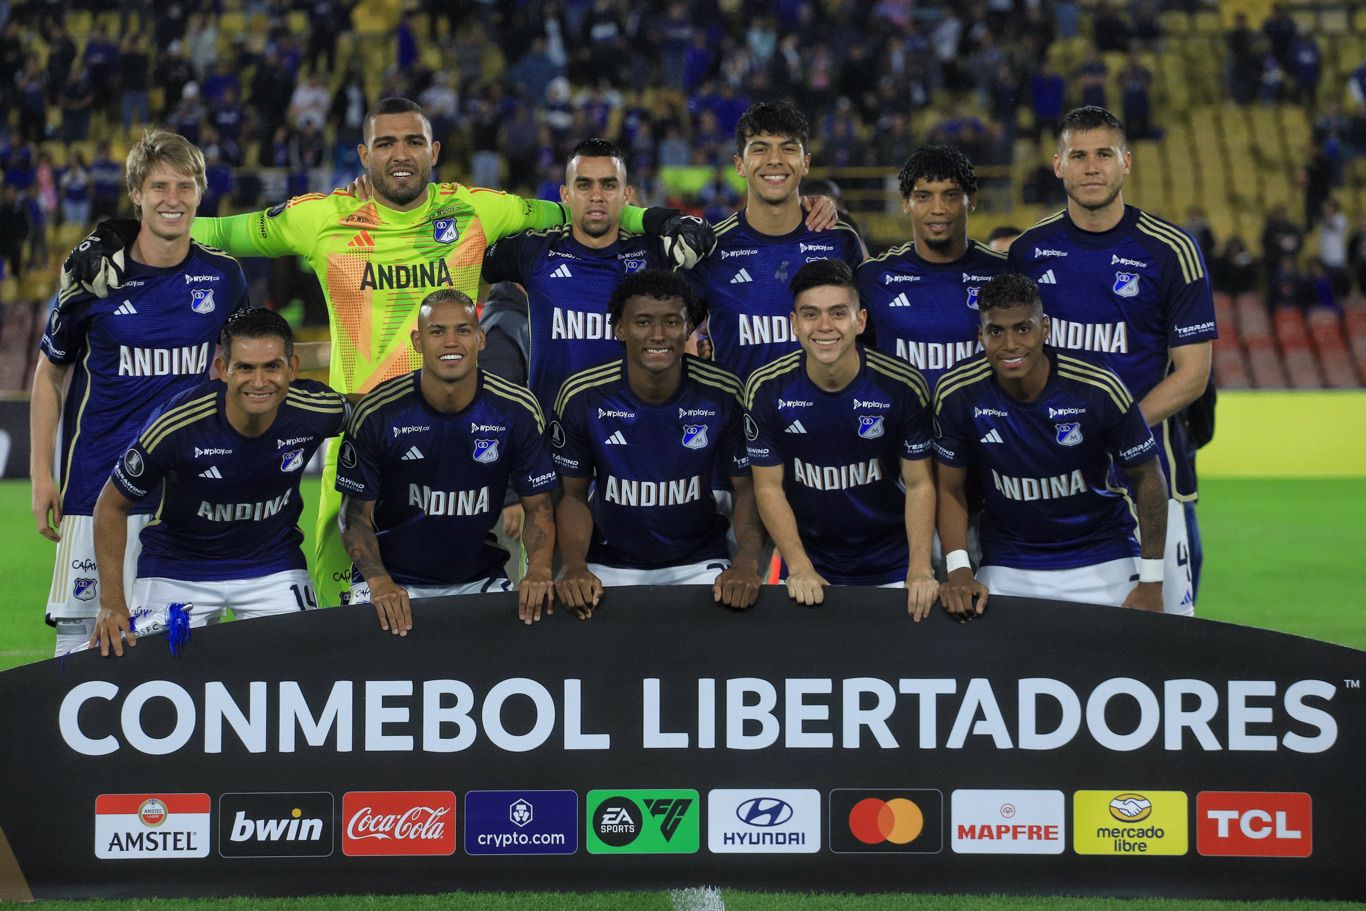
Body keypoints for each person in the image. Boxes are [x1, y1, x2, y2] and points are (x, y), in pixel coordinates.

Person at [60, 97, 715, 610]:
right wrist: (112, 233)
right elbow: (204, 224)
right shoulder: (319, 217)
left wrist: (658, 221)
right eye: (385, 142)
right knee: (337, 606)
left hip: (463, 438)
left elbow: (585, 212)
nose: (399, 153)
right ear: (363, 153)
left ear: (433, 150)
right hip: (358, 431)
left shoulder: (475, 210)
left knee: (482, 600)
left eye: (411, 141)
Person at [31, 131, 250, 656]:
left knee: (175, 651)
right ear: (136, 192)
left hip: (186, 494)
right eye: (158, 186)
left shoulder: (223, 277)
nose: (172, 198)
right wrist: (42, 475)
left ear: (200, 192)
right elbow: (49, 373)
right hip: (94, 486)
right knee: (78, 653)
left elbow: (246, 372)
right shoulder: (94, 275)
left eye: (184, 185)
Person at [1007, 106, 1214, 614]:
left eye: (1104, 154)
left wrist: (1119, 431)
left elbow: (1193, 374)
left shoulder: (1171, 250)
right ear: (1058, 165)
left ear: (1127, 162)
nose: (1091, 166)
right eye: (1078, 155)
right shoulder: (1029, 252)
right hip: (1048, 473)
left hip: (1145, 475)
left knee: (1165, 642)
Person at [89, 309, 348, 657]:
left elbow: (377, 414)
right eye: (245, 367)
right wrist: (111, 603)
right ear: (224, 369)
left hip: (271, 567)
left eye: (271, 366)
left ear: (292, 368)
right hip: (177, 569)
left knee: (301, 670)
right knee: (152, 676)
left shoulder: (316, 410)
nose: (259, 382)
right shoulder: (176, 423)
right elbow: (110, 505)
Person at [935, 273, 1168, 619]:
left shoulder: (1097, 386)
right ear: (980, 335)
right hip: (1009, 563)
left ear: (1045, 329)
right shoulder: (956, 392)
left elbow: (1147, 477)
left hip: (1105, 556)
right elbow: (950, 489)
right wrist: (958, 570)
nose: (1010, 344)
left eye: (1023, 328)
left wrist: (1152, 582)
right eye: (996, 331)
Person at [336, 290, 557, 634]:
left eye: (463, 330)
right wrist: (379, 581)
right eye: (437, 331)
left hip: (478, 578)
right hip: (391, 580)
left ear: (481, 338)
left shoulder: (517, 409)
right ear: (417, 341)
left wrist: (540, 570)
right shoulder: (378, 412)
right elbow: (353, 517)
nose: (451, 342)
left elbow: (540, 508)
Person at [552, 270, 762, 617]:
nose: (659, 335)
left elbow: (747, 490)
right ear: (619, 328)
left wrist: (747, 563)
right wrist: (574, 565)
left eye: (672, 322)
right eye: (643, 322)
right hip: (606, 565)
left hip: (700, 563)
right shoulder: (582, 396)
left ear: (688, 328)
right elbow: (572, 495)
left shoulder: (724, 392)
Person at [744, 260, 937, 618]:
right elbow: (768, 487)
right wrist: (799, 566)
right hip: (809, 566)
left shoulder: (902, 385)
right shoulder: (766, 387)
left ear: (860, 320)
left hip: (894, 566)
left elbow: (919, 483)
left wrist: (921, 568)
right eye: (811, 314)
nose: (824, 327)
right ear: (794, 324)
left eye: (837, 313)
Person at [482, 138, 674, 419]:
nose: (596, 195)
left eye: (608, 185)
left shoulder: (657, 254)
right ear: (566, 195)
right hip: (550, 439)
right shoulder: (534, 251)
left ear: (626, 195)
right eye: (584, 185)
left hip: (632, 438)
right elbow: (464, 260)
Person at [687, 101, 866, 384]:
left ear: (805, 163)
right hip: (739, 423)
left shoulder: (840, 240)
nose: (774, 159)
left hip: (824, 423)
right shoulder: (711, 248)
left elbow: (868, 336)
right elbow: (671, 331)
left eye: (788, 148)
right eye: (760, 148)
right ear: (739, 165)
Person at [857, 146, 1008, 395]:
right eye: (924, 196)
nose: (938, 208)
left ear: (972, 200)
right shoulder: (873, 277)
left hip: (980, 429)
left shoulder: (1005, 272)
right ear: (906, 203)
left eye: (950, 195)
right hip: (902, 430)